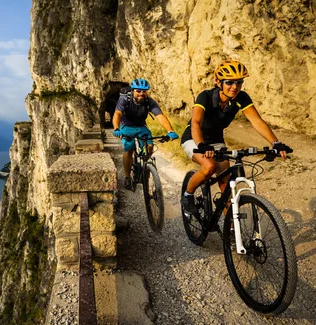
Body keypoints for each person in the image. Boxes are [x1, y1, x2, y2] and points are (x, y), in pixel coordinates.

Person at [180, 60, 291, 217]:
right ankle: (188, 196)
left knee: (226, 184)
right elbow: (195, 123)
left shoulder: (241, 98)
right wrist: (202, 145)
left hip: (216, 140)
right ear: (218, 82)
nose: (235, 87)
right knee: (209, 167)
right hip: (194, 138)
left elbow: (256, 121)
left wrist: (276, 143)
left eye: (239, 82)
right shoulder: (205, 97)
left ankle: (232, 232)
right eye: (229, 82)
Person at [112, 78, 179, 190]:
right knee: (129, 149)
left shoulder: (149, 102)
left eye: (144, 91)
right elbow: (117, 114)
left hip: (141, 126)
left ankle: (146, 166)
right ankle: (128, 177)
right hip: (127, 126)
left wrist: (170, 131)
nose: (141, 94)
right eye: (138, 91)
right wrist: (116, 128)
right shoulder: (125, 99)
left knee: (150, 145)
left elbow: (160, 117)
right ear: (133, 90)